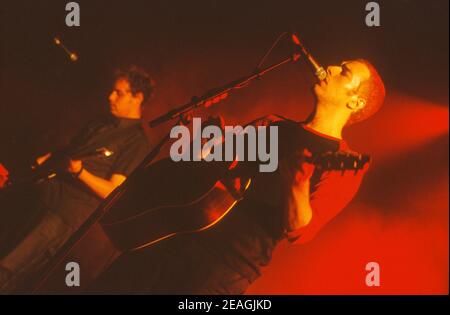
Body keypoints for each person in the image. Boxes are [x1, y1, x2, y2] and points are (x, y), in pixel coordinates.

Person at [91, 58, 386, 294]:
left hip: (220, 271)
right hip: (169, 235)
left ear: (356, 102)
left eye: (344, 73)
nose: (331, 67)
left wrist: (296, 183)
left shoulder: (344, 163)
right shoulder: (272, 124)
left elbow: (301, 231)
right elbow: (203, 164)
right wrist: (206, 139)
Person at [0, 65, 155, 292]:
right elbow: (69, 152)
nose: (110, 96)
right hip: (40, 197)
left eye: (119, 93)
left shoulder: (136, 142)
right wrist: (45, 160)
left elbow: (113, 191)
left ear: (137, 98)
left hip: (61, 217)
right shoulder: (101, 123)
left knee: (8, 269)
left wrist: (81, 173)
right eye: (112, 91)